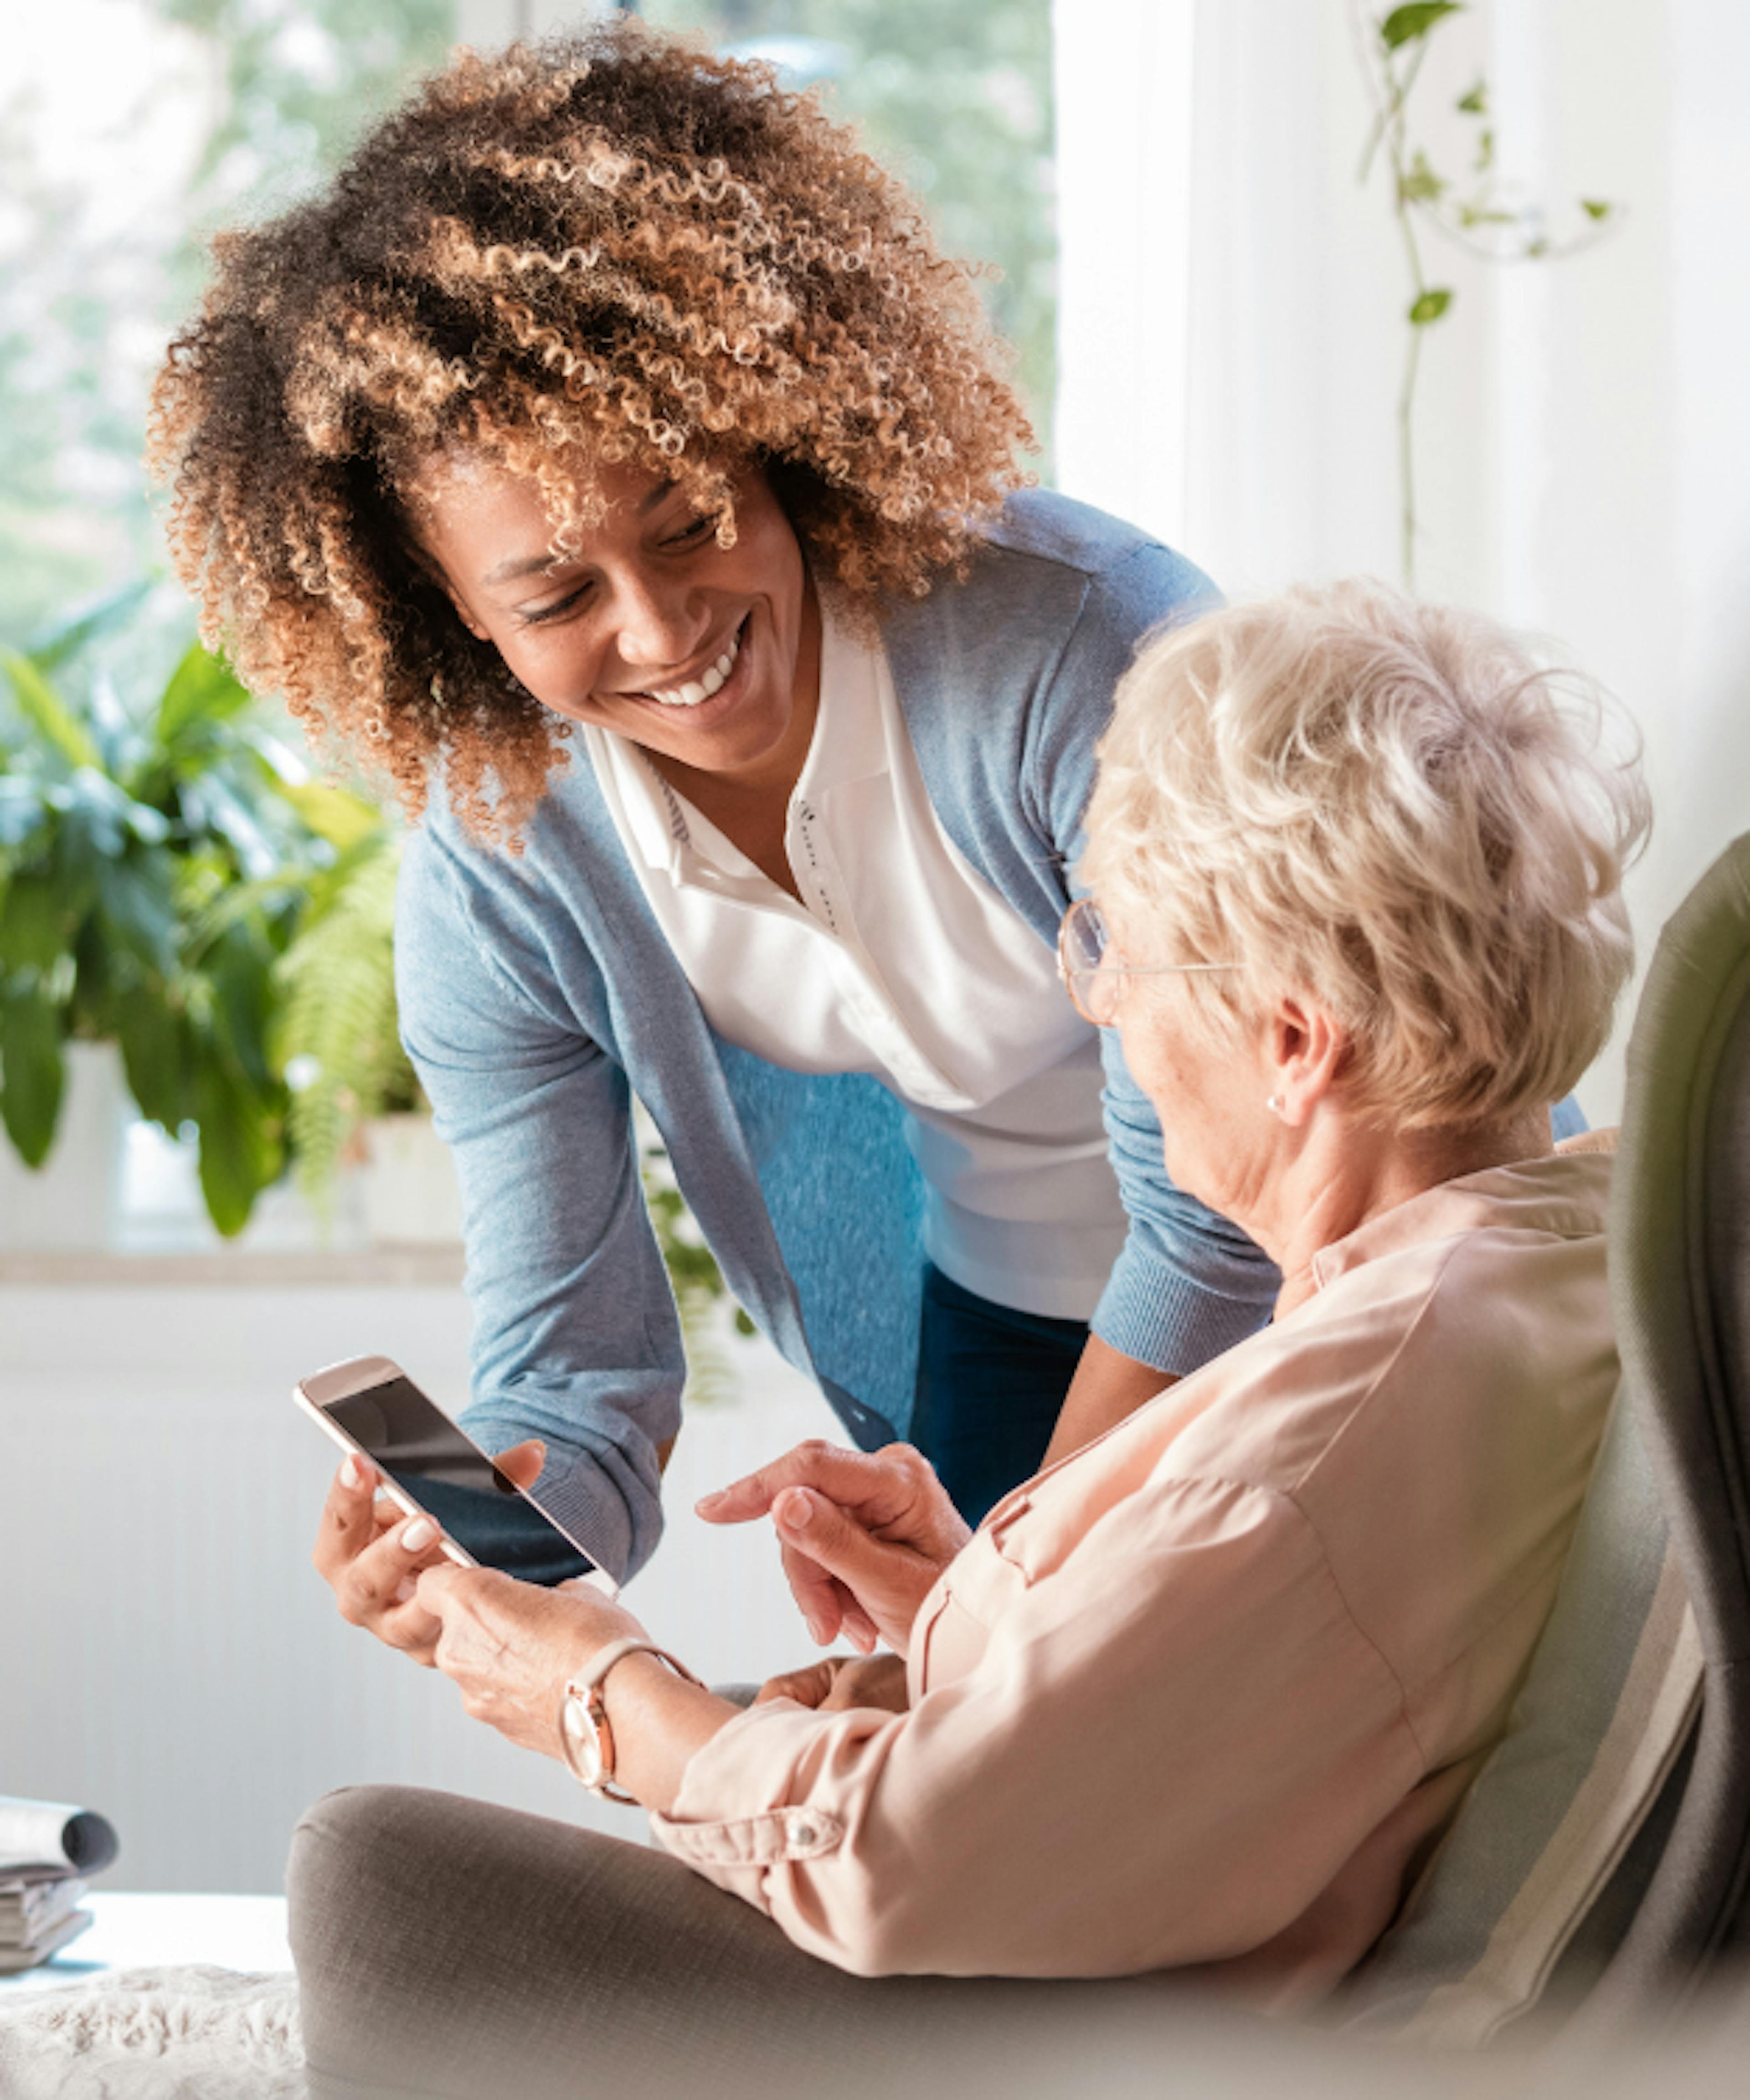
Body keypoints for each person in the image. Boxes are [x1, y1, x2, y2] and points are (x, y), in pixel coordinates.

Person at [289, 579, 1650, 2099]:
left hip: (1122, 2031)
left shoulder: (1329, 1426)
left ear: (1290, 1040)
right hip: (1151, 1902)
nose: (1110, 1016)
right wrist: (984, 1600)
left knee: (373, 1879)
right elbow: (1267, 1670)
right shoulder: (1567, 1258)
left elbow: (906, 1853)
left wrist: (603, 1698)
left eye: (1116, 958)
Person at [148, 21, 1283, 1577]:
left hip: (1311, 1283)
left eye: (689, 521)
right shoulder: (507, 860)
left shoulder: (1077, 644)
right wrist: (492, 1555)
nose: (665, 630)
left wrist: (1015, 1585)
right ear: (446, 607)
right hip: (1006, 1336)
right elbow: (580, 1373)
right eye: (556, 599)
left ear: (769, 438)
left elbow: (1235, 1188)